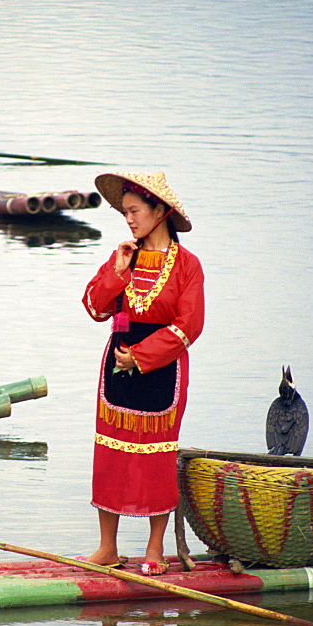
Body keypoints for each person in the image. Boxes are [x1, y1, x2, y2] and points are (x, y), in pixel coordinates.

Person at [81, 171, 205, 576]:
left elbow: (190, 325)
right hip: (116, 368)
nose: (129, 219)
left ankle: (156, 548)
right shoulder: (124, 256)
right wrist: (115, 270)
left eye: (134, 211)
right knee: (110, 453)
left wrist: (142, 356)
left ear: (160, 211)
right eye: (125, 212)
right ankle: (107, 548)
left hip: (161, 368)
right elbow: (95, 309)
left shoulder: (187, 265)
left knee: (156, 457)